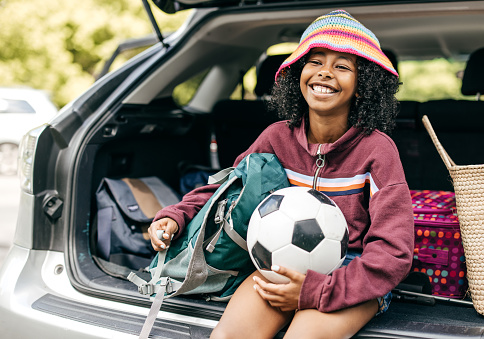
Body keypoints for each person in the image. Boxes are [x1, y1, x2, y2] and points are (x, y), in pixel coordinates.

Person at [148, 9, 414, 339]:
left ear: (363, 87)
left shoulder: (377, 150)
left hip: (351, 275)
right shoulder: (277, 137)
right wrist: (175, 215)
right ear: (299, 73)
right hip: (278, 265)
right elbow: (227, 188)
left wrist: (317, 291)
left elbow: (394, 252)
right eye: (315, 61)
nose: (326, 73)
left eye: (343, 66)